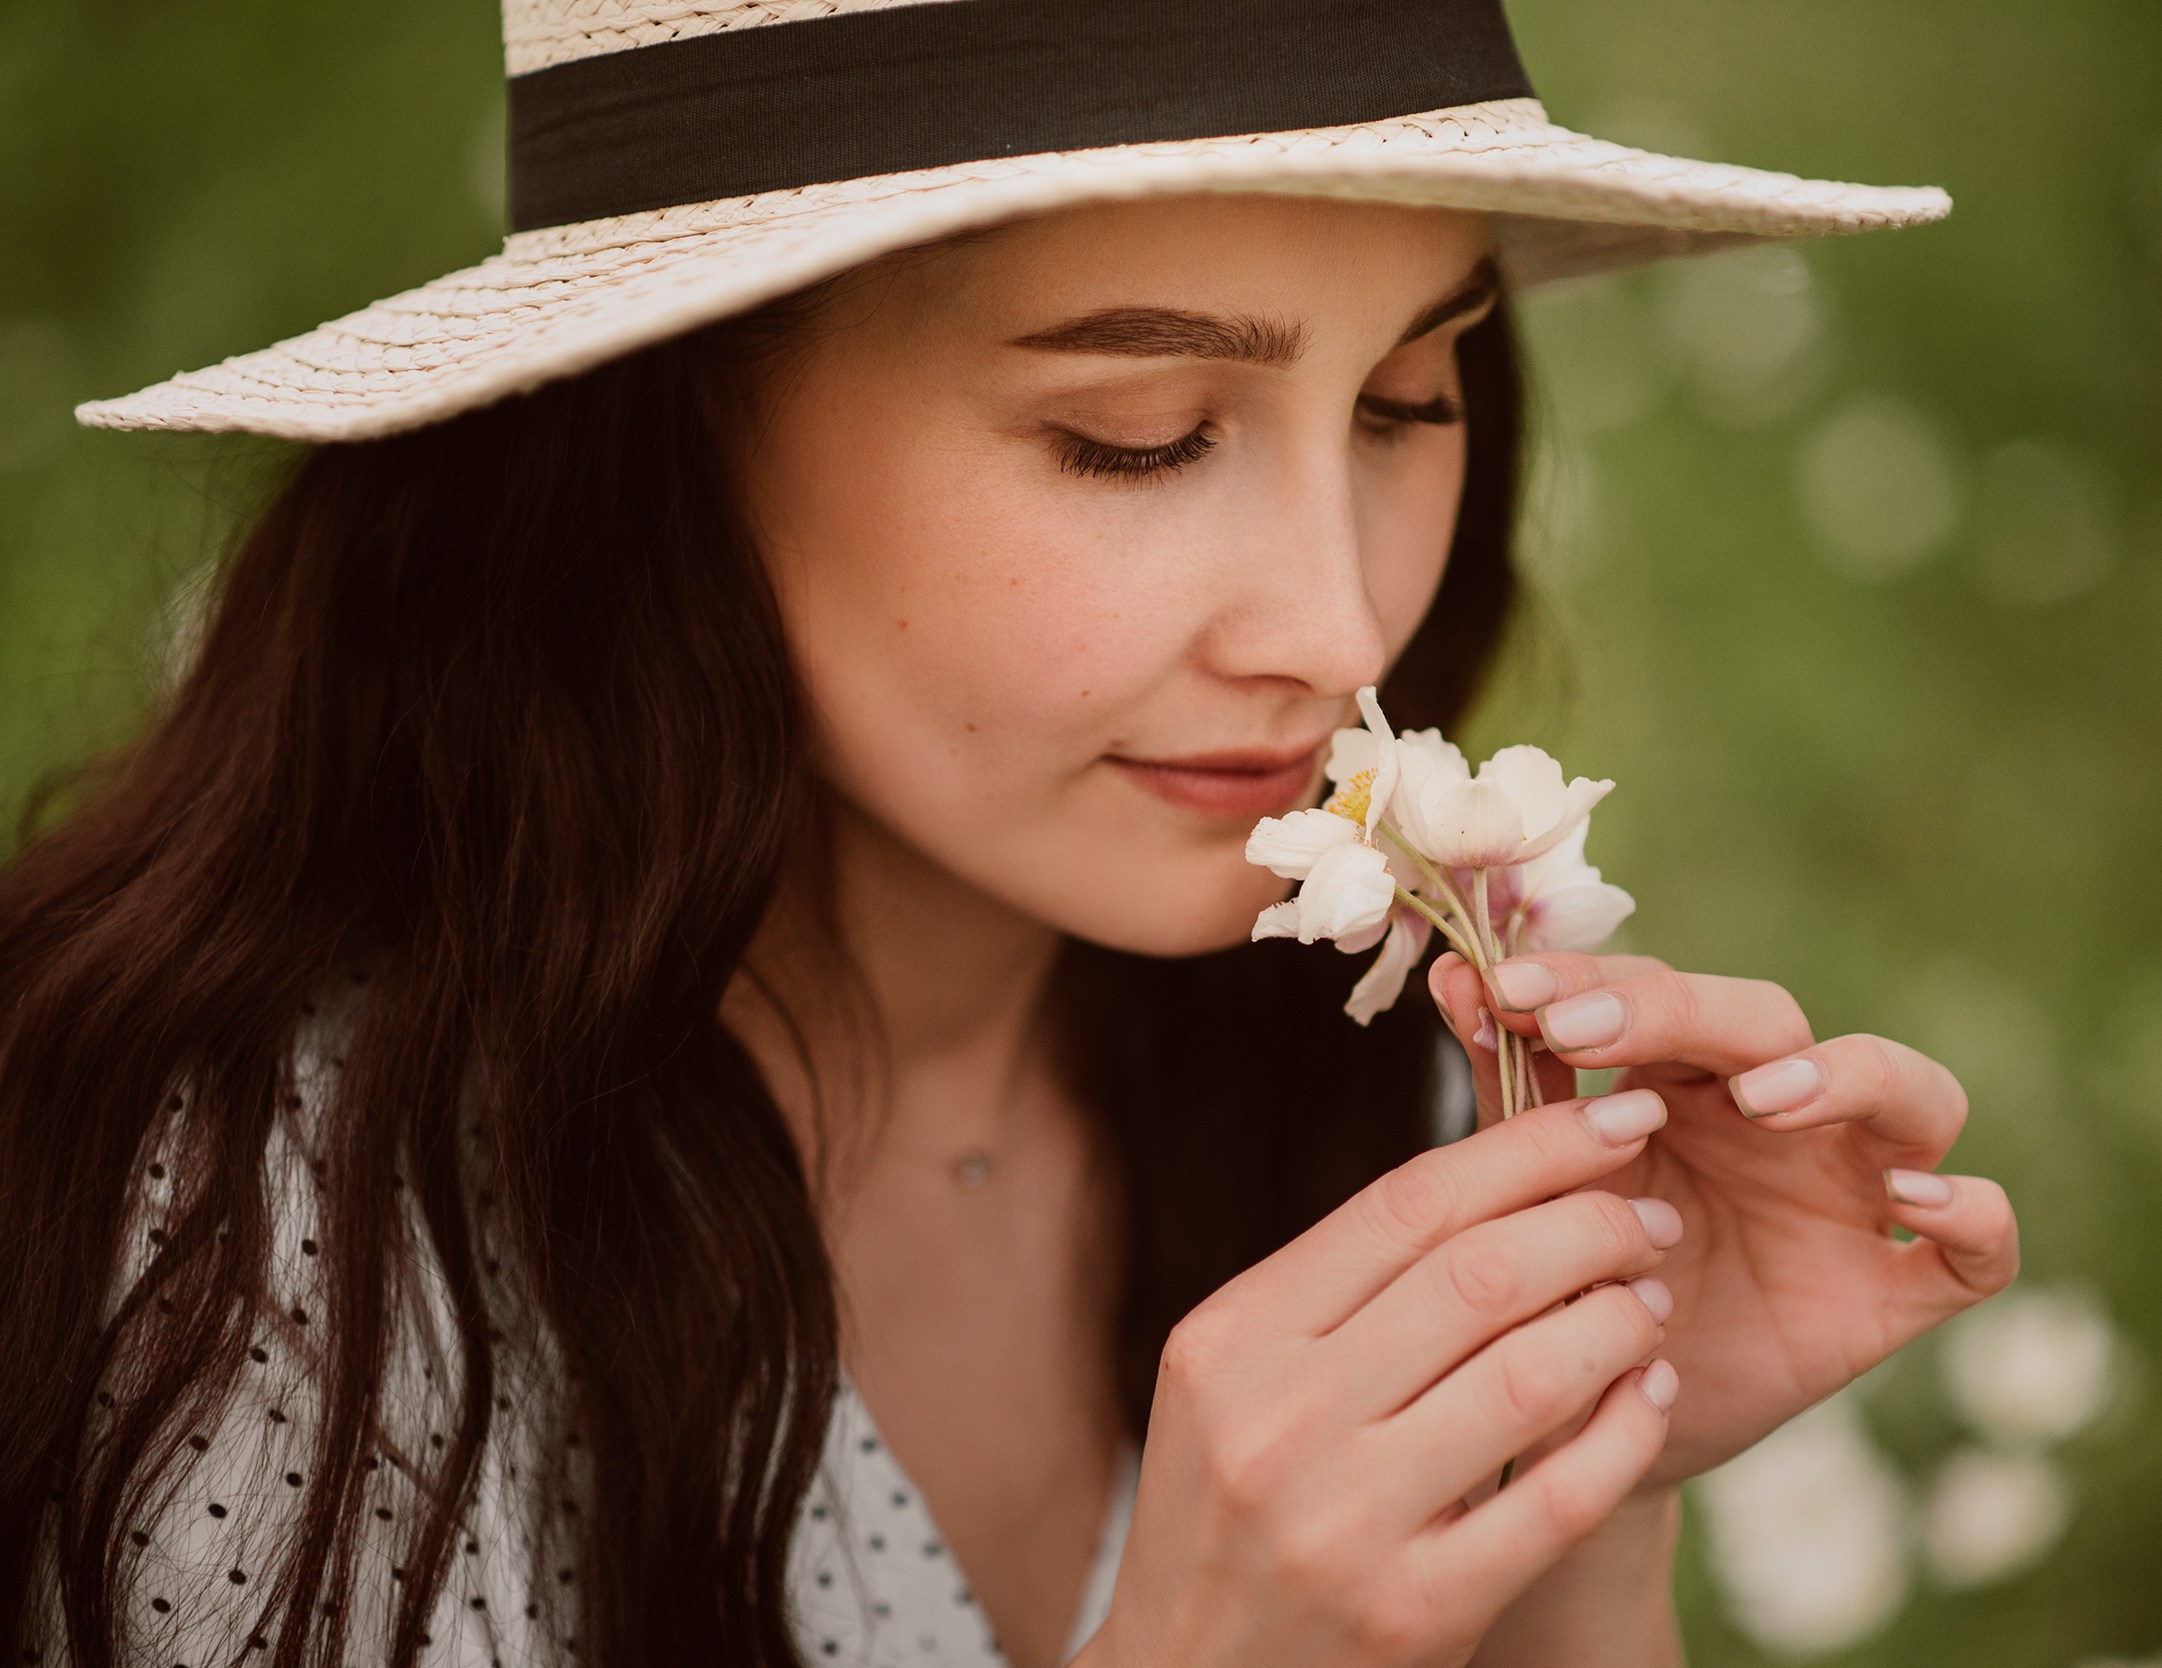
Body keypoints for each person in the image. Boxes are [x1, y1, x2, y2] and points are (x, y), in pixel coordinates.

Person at [0, 3, 2017, 1665]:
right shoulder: (249, 1260)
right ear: (673, 421)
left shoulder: (1392, 1081)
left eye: (1407, 398)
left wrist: (1574, 1490)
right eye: (1128, 437)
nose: (1334, 632)